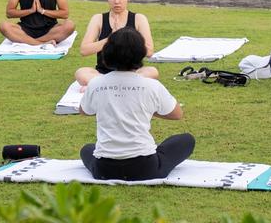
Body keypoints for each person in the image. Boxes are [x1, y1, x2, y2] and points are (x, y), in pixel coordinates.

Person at [79, 27, 195, 181]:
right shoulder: (151, 85)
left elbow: (84, 111)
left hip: (104, 169)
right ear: (140, 54)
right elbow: (177, 114)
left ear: (107, 53)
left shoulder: (96, 83)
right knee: (186, 140)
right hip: (145, 168)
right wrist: (144, 108)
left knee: (87, 149)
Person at [75, 0, 159, 85]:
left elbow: (149, 51)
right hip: (104, 72)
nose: (117, 1)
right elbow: (84, 50)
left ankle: (103, 85)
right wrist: (111, 38)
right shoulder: (98, 18)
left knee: (152, 71)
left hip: (133, 72)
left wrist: (125, 39)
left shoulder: (139, 18)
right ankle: (120, 84)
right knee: (81, 73)